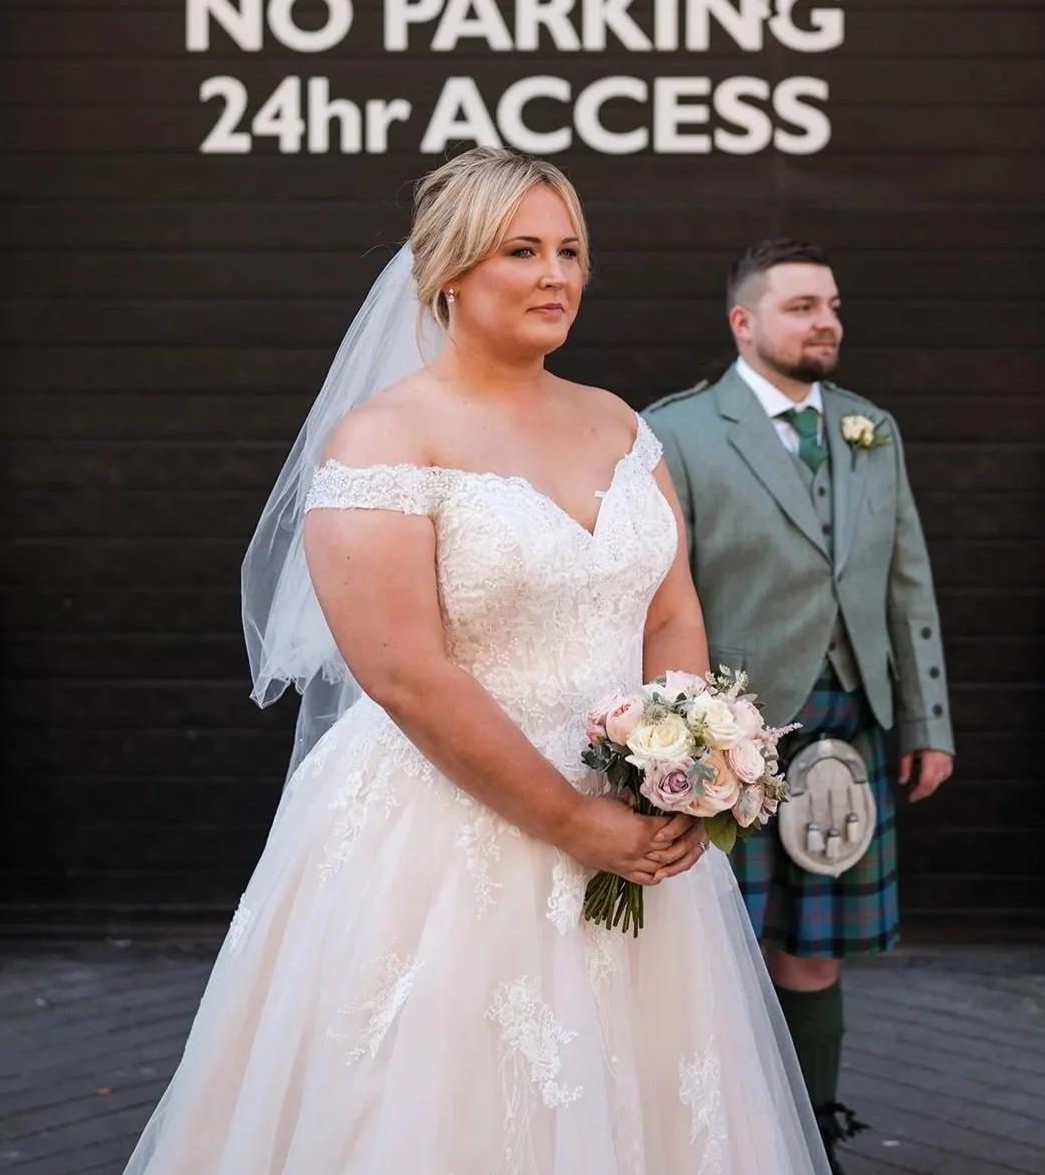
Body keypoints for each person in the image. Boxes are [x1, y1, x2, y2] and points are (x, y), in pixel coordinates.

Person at [125, 151, 828, 1175]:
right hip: (449, 836)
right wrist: (574, 819)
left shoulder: (619, 424)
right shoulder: (383, 441)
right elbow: (406, 673)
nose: (558, 276)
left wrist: (684, 764)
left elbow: (671, 608)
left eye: (571, 251)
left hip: (632, 819)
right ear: (451, 271)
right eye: (523, 251)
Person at [646, 240, 955, 1171]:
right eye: (800, 306)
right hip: (732, 725)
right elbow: (656, 595)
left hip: (851, 722)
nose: (825, 320)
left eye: (831, 304)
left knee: (815, 945)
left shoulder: (871, 427)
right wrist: (673, 731)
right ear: (743, 323)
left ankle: (814, 1127)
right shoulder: (680, 430)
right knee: (711, 947)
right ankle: (704, 1138)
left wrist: (927, 721)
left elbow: (909, 583)